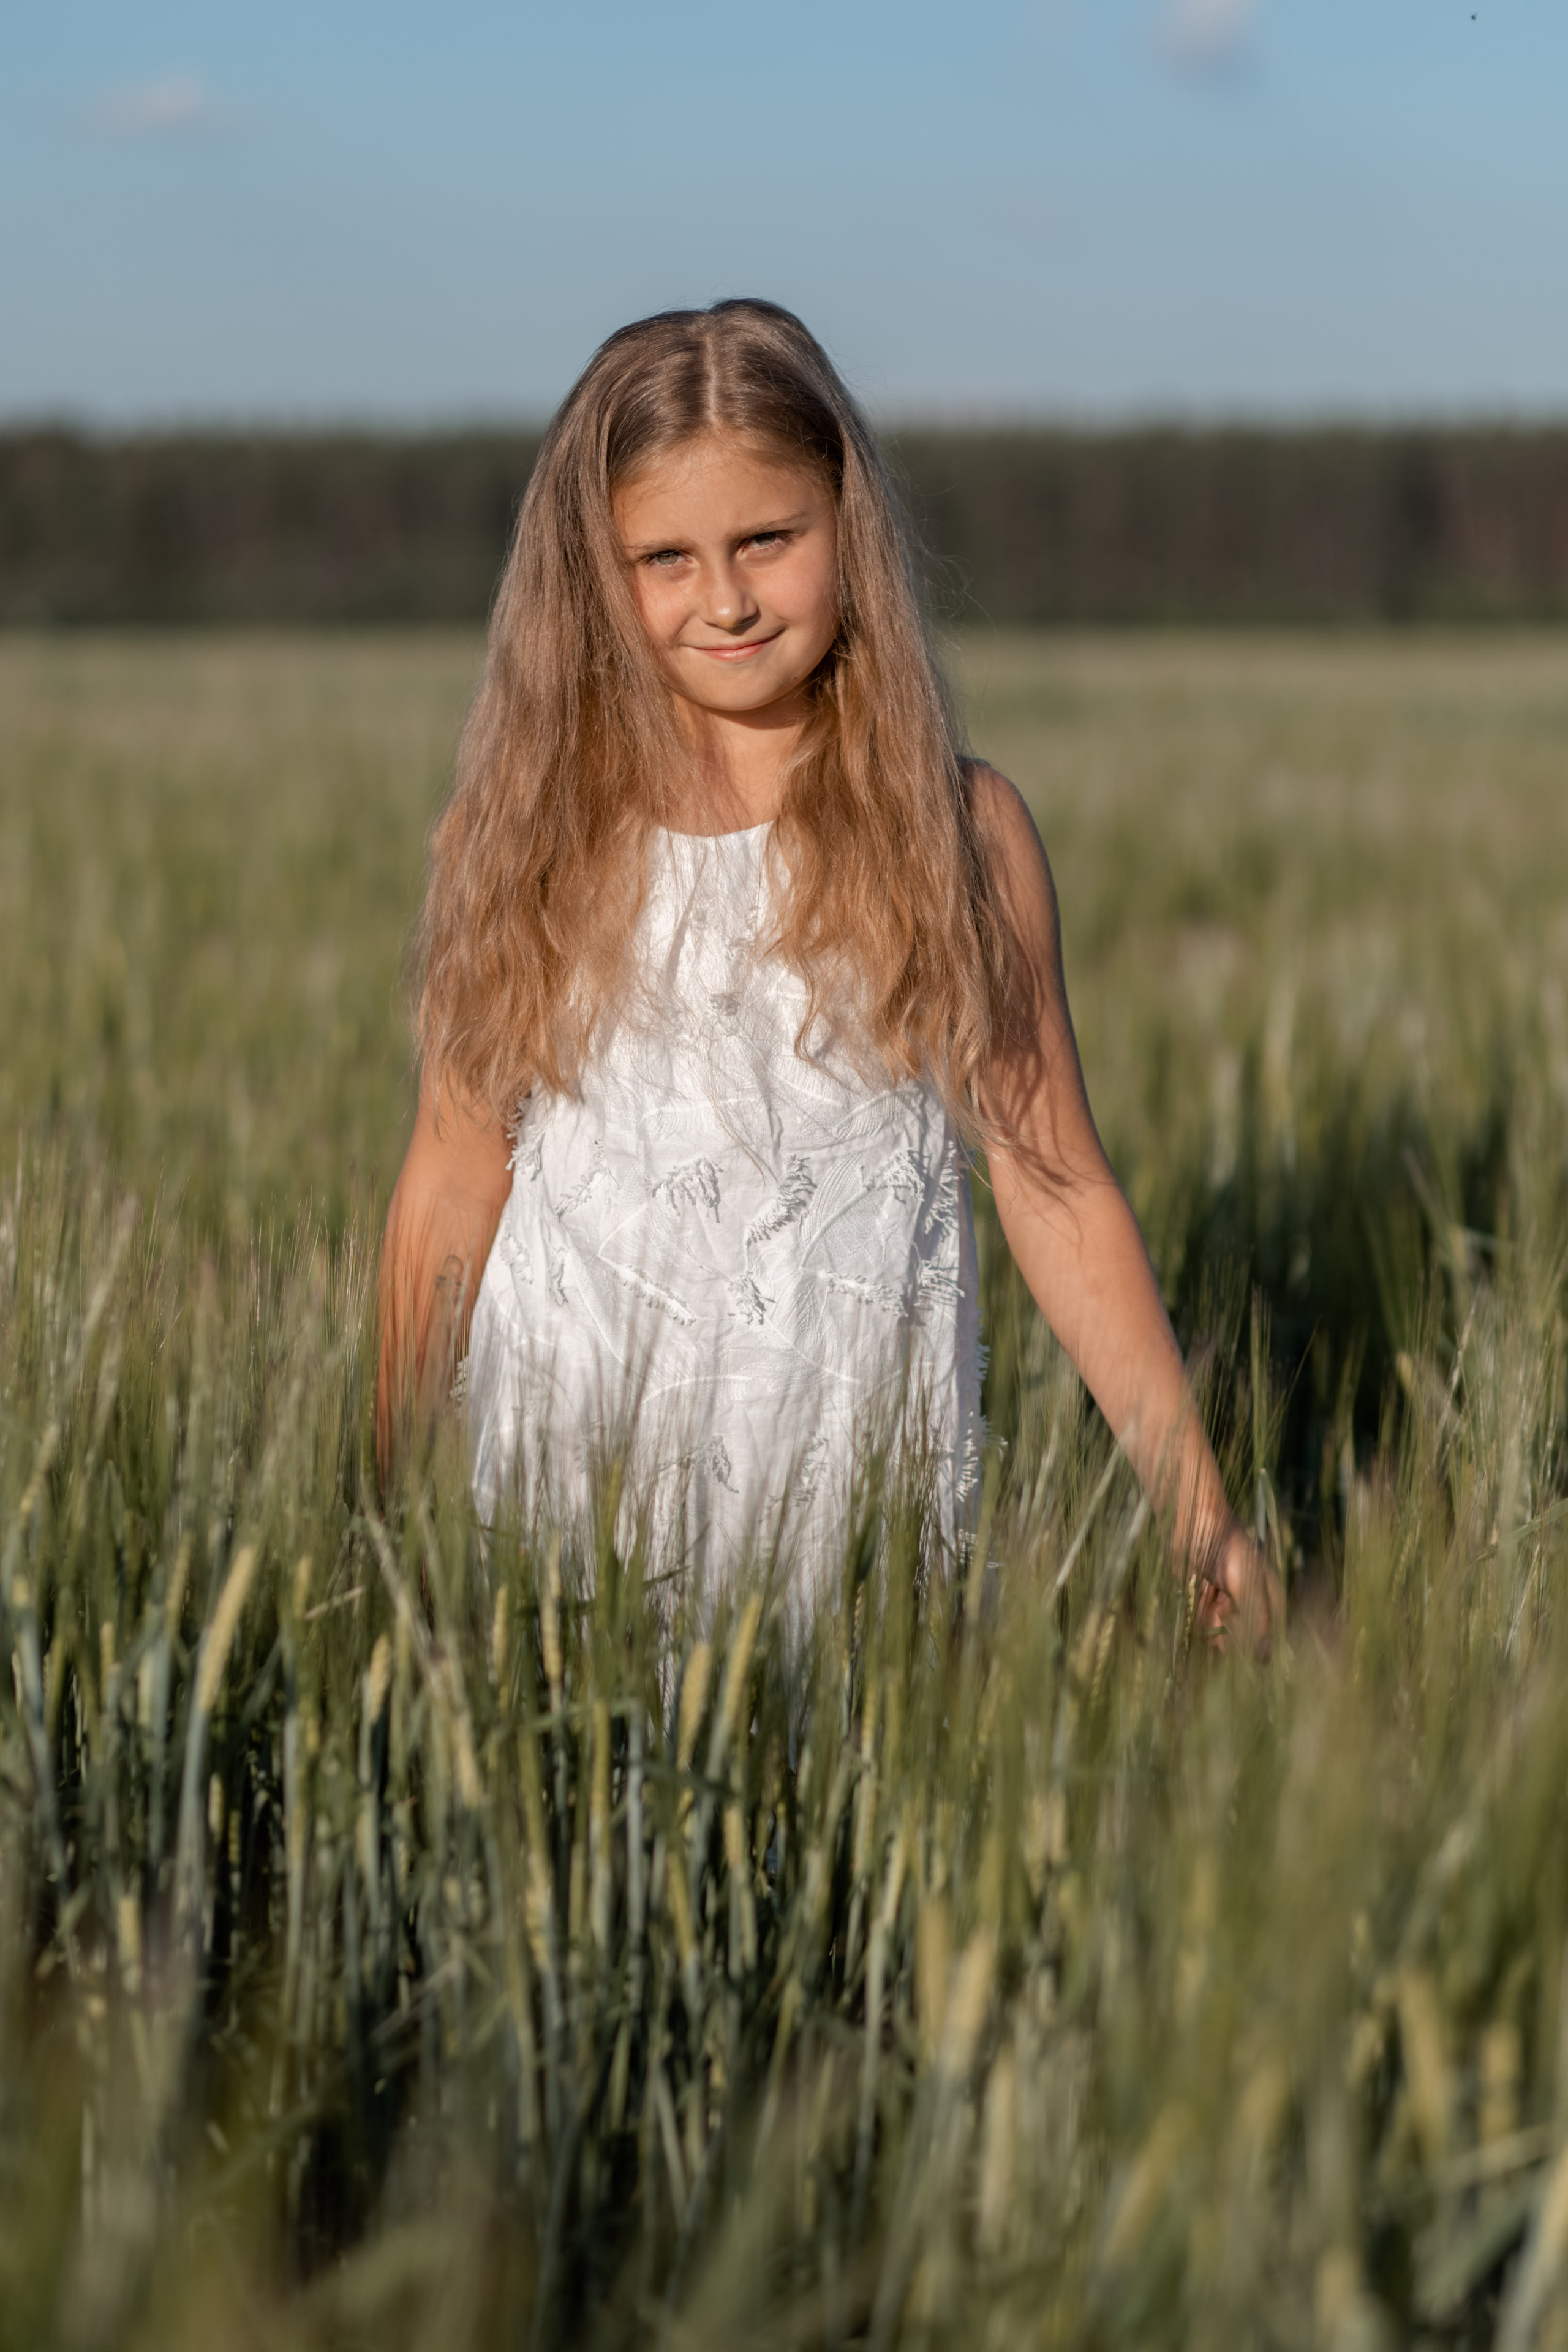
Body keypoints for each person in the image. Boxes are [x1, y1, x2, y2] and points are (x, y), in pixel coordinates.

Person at [378, 298, 1278, 1651]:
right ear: (590, 573)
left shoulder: (954, 832)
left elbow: (1053, 1185)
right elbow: (452, 1177)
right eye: (663, 558)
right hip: (563, 1523)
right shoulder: (517, 844)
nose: (725, 598)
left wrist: (1201, 1516)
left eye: (765, 541)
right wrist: (368, 1502)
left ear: (843, 531)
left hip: (852, 1521)